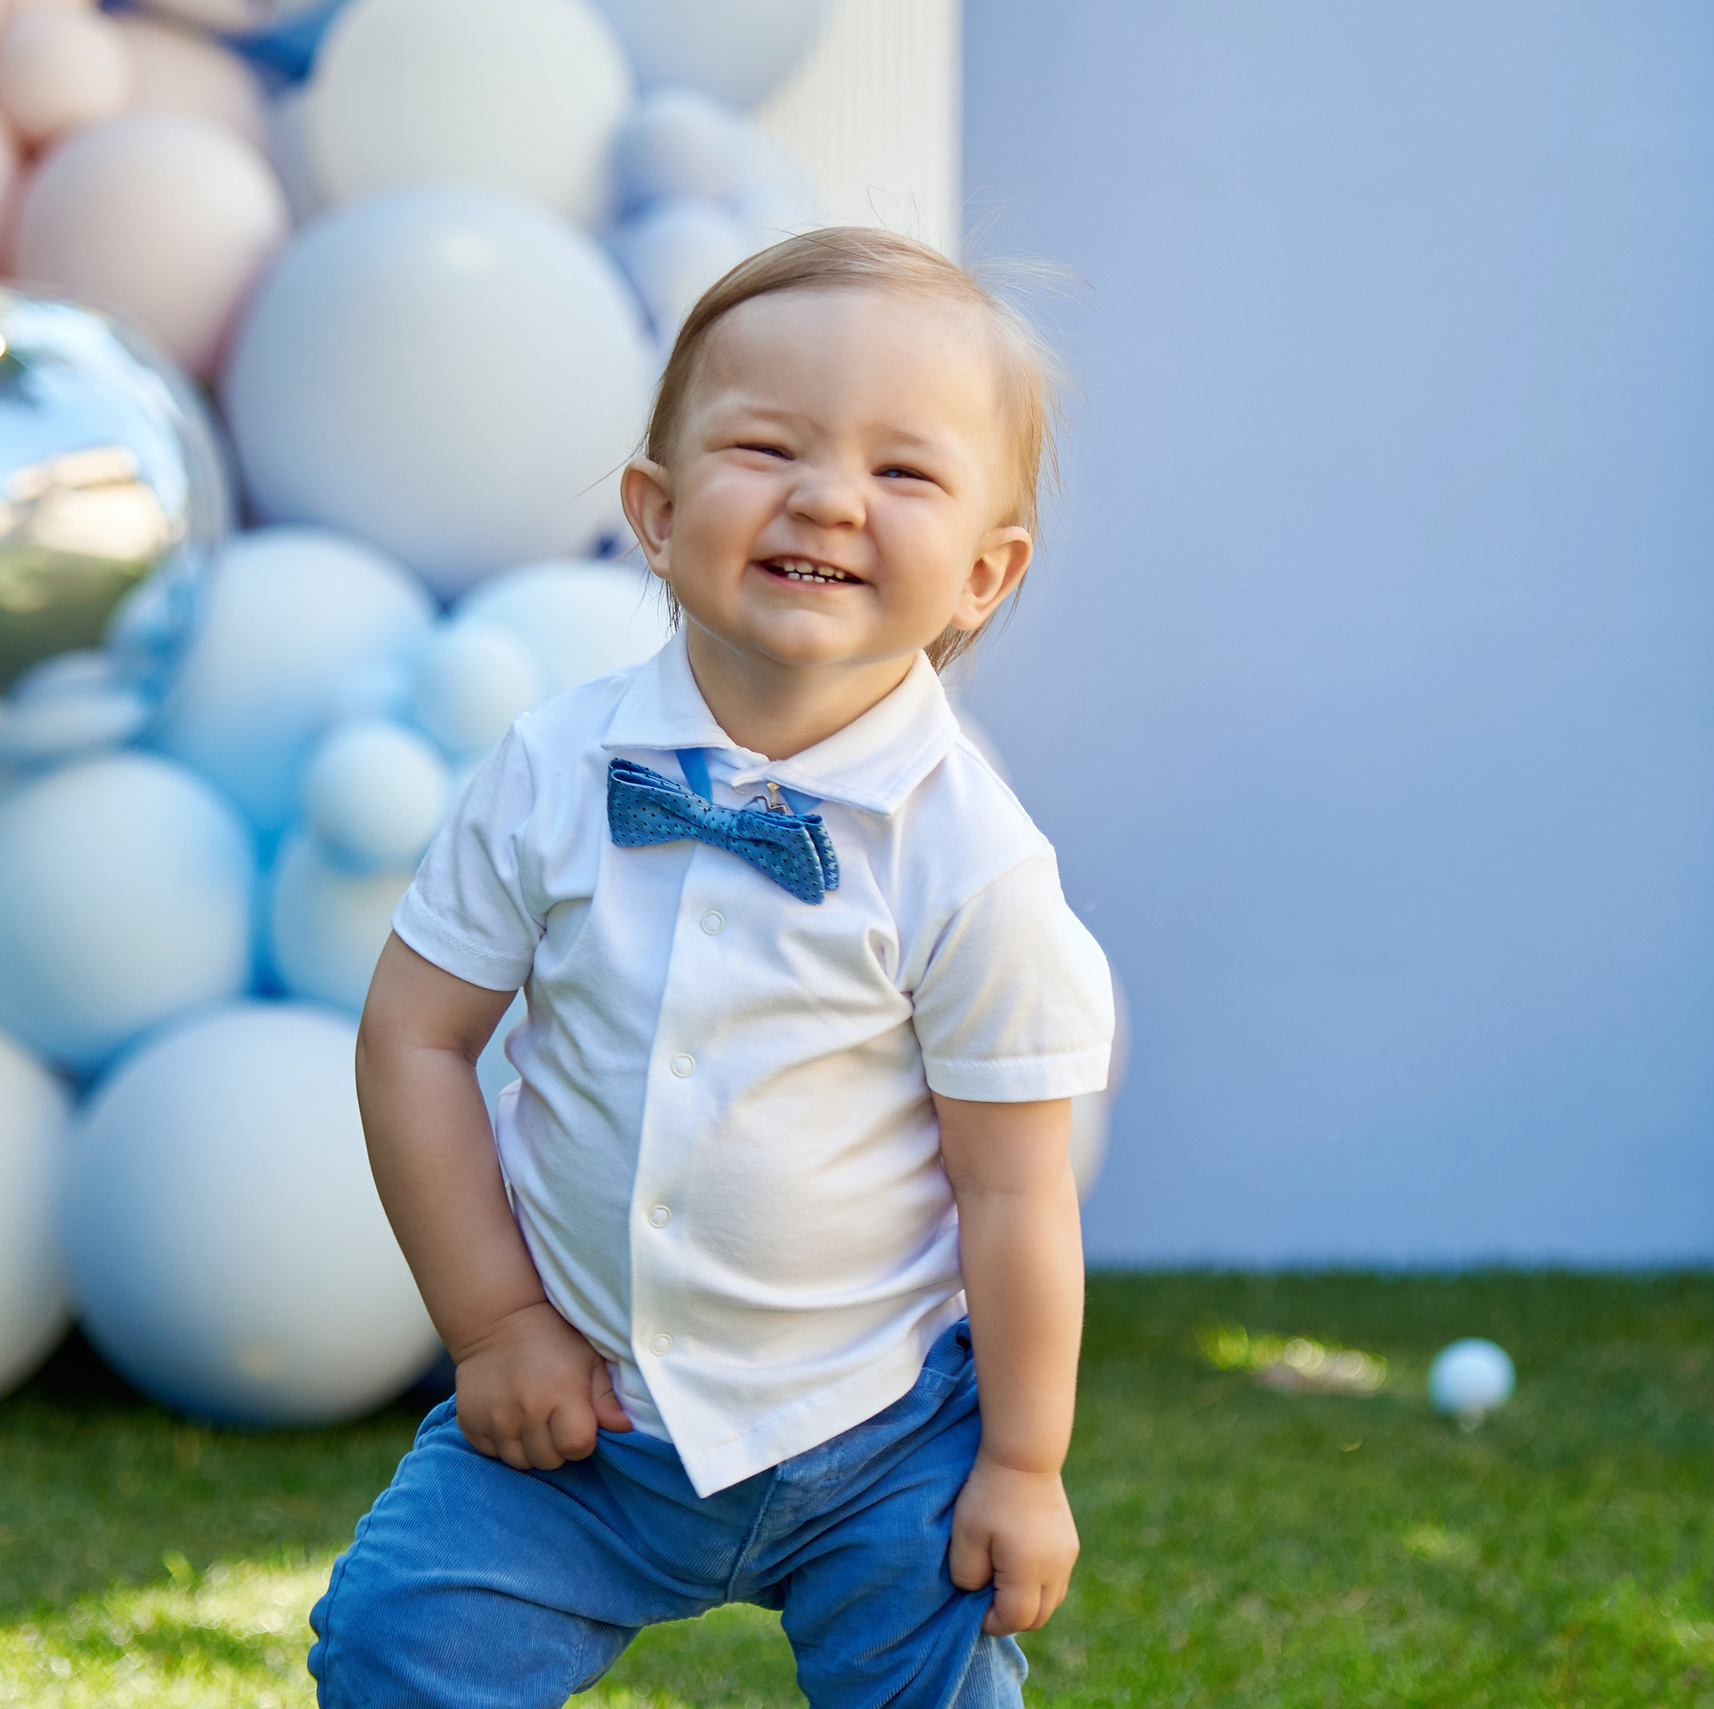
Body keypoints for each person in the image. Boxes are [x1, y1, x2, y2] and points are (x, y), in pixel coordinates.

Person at [310, 226, 1115, 1709]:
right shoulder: (553, 772)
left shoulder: (975, 864)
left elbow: (1015, 1188)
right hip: (586, 1413)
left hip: (880, 1428)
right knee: (396, 1636)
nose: (828, 496)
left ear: (985, 576)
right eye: (771, 446)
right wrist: (497, 1323)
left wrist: (1021, 1458)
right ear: (657, 510)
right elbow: (415, 1038)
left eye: (903, 471)